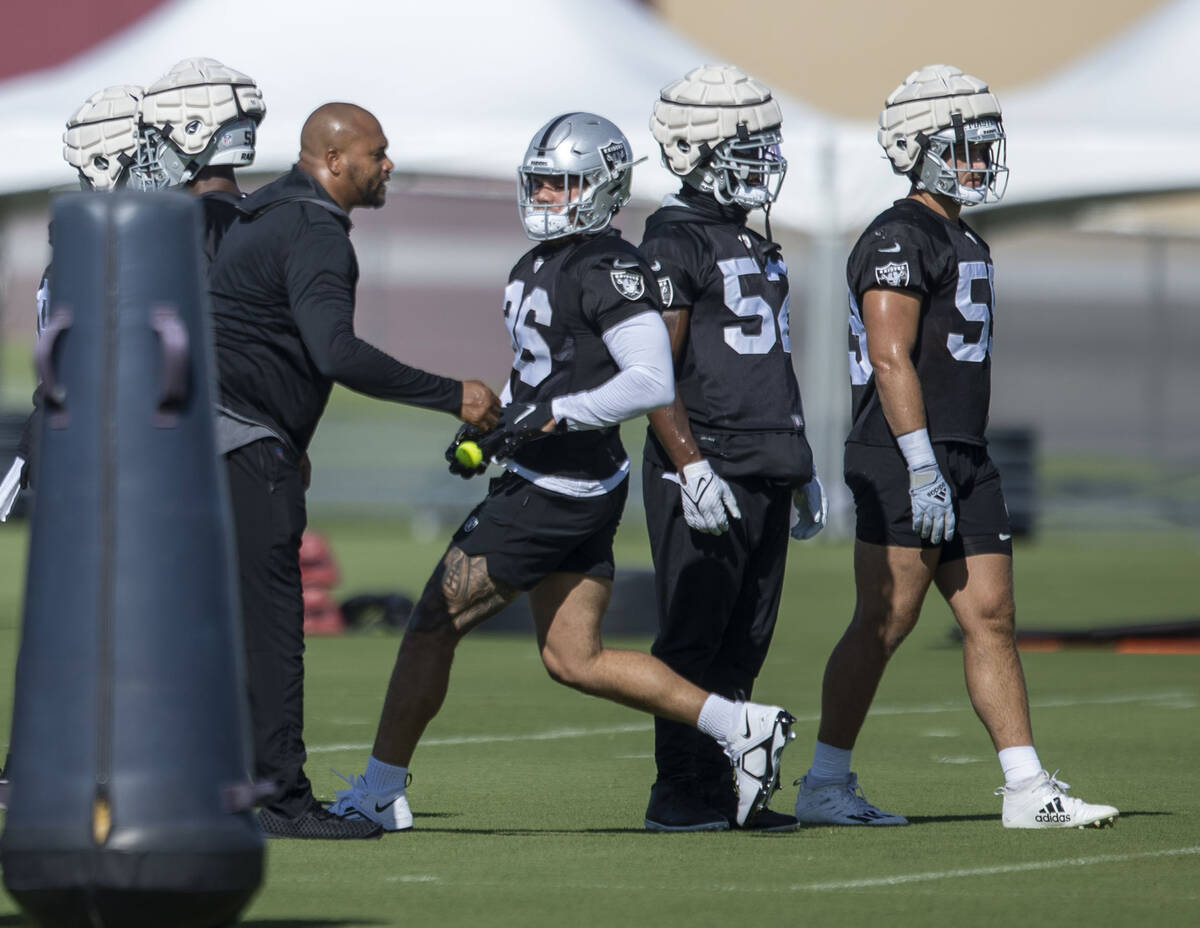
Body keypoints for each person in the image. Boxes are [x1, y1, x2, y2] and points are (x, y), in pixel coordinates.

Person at [325, 112, 797, 833]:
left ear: (604, 187)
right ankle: (740, 726)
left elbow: (649, 380)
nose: (545, 196)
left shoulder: (611, 268)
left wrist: (557, 416)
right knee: (575, 658)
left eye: (561, 184)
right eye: (539, 182)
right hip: (565, 484)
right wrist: (495, 425)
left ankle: (380, 790)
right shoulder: (539, 265)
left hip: (554, 491)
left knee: (430, 626)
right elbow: (536, 381)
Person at [793, 65, 1118, 829]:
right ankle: (824, 783)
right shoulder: (897, 234)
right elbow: (888, 355)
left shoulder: (962, 232)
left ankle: (1026, 788)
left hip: (964, 450)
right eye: (964, 142)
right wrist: (920, 464)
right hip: (903, 452)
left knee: (993, 616)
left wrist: (950, 461)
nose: (978, 157)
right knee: (886, 619)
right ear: (918, 145)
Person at [207, 102, 501, 839]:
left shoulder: (266, 208)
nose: (388, 165)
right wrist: (452, 395)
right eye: (378, 153)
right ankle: (279, 799)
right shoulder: (314, 230)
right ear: (334, 161)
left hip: (212, 439)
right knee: (274, 628)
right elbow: (335, 351)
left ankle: (211, 779)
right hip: (244, 447)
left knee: (219, 625)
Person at [637, 65, 825, 833]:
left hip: (766, 459)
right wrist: (690, 464)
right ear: (691, 150)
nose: (762, 162)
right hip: (707, 458)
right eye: (746, 146)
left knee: (745, 640)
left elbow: (768, 361)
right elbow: (654, 371)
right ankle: (678, 791)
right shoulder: (673, 241)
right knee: (694, 636)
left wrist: (801, 457)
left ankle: (730, 789)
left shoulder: (751, 239)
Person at [139, 56, 267, 267]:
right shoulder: (271, 212)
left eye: (156, 137)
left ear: (192, 133)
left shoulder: (185, 223)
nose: (150, 151)